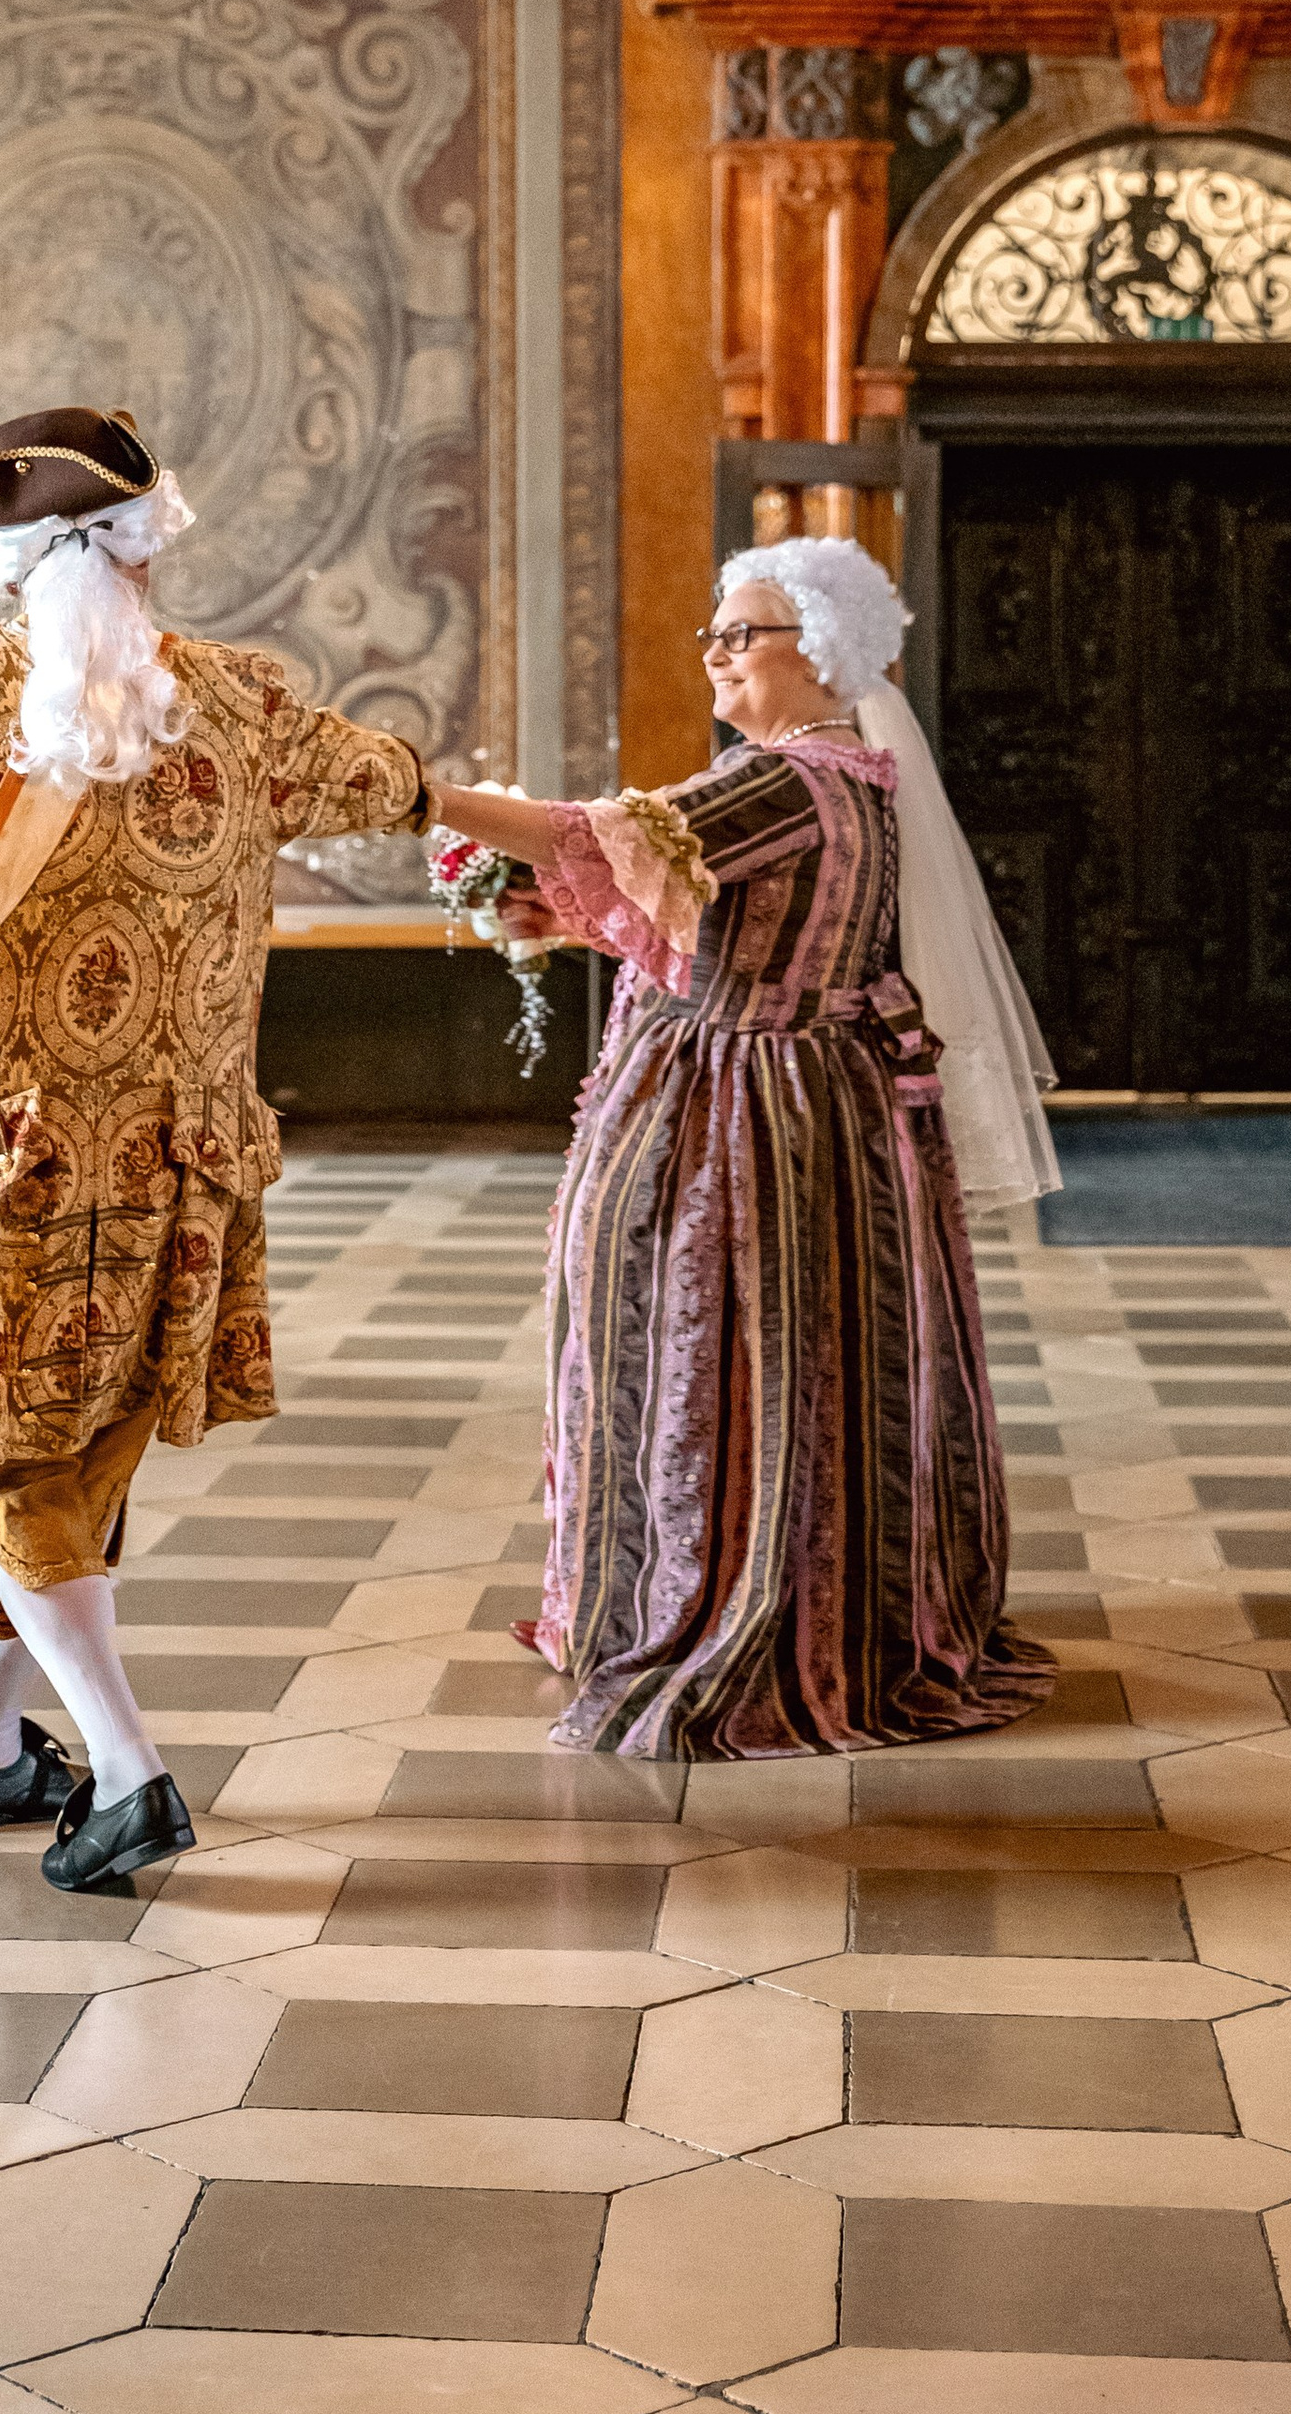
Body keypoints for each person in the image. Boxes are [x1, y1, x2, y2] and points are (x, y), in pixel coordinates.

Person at [0, 404, 427, 1892]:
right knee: (76, 1446)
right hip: (181, 1158)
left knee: (19, 1456)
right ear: (144, 555)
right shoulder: (236, 699)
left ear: (4, 568)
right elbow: (388, 781)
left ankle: (125, 1772)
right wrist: (547, 830)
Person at [429, 536, 1058, 1758]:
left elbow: (596, 831)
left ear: (818, 650)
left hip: (750, 1114)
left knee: (735, 1353)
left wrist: (424, 795)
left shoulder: (790, 779)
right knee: (799, 1355)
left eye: (743, 633)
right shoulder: (846, 778)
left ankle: (739, 1603)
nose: (716, 654)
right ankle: (829, 1596)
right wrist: (567, 914)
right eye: (712, 633)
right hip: (810, 1098)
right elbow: (731, 927)